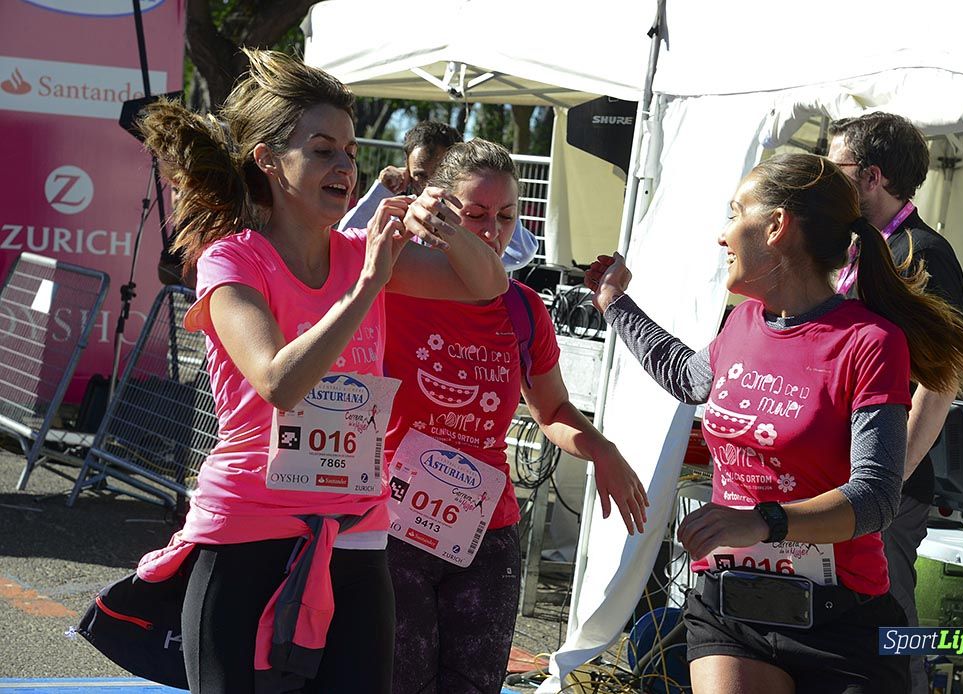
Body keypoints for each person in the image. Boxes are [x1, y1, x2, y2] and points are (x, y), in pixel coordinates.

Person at [131, 50, 508, 694]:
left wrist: (446, 226)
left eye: (351, 151)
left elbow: (486, 285)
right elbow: (279, 382)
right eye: (324, 150)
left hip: (355, 532)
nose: (345, 167)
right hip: (248, 524)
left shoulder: (365, 252)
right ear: (269, 161)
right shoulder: (233, 261)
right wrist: (364, 290)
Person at [584, 153, 963, 693]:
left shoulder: (869, 344)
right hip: (730, 604)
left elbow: (875, 498)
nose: (722, 236)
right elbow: (689, 377)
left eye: (735, 214)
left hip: (838, 617)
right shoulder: (744, 323)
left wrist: (763, 522)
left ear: (777, 227)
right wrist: (616, 304)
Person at [381, 139, 650, 693]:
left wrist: (603, 450)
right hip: (392, 526)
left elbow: (550, 407)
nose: (492, 231)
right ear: (440, 208)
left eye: (506, 216)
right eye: (475, 214)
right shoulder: (393, 282)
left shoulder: (523, 307)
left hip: (487, 532)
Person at [827, 110, 963, 694]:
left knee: (891, 621)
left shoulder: (922, 254)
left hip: (886, 482)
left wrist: (887, 479)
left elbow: (941, 383)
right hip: (845, 472)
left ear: (871, 177)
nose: (824, 179)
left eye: (835, 169)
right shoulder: (863, 245)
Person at [340, 120, 540, 272]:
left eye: (442, 175)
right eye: (421, 176)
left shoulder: (479, 230)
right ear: (407, 172)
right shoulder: (401, 217)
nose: (432, 187)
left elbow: (521, 252)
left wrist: (495, 202)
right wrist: (382, 191)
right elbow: (346, 244)